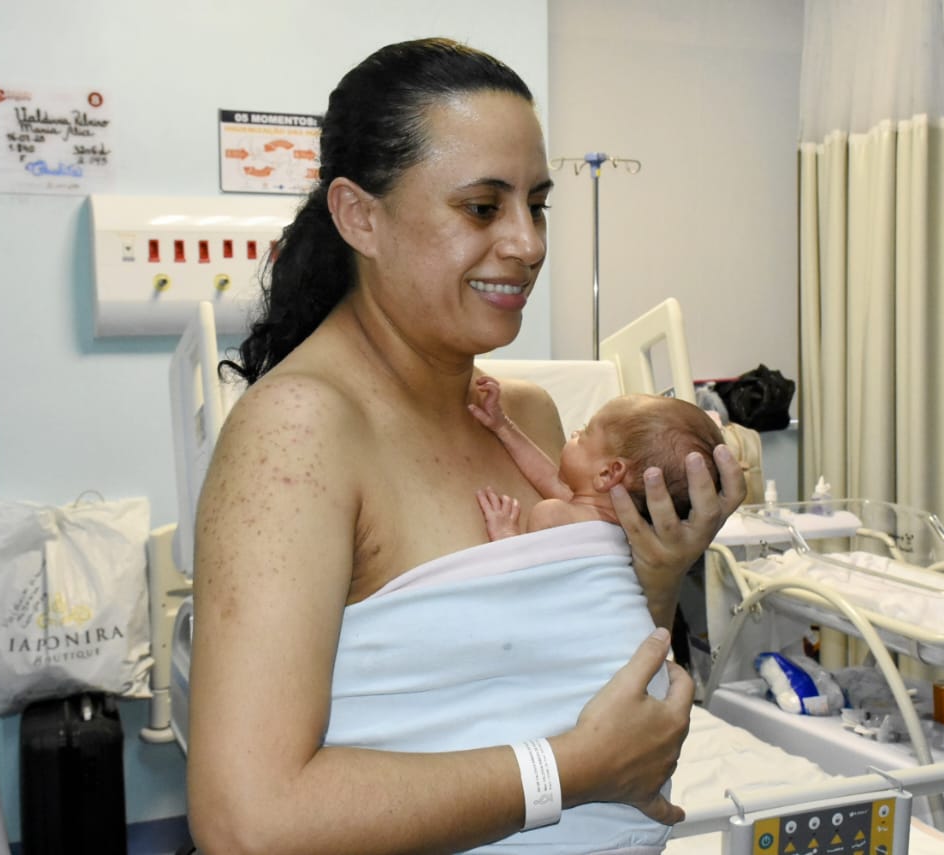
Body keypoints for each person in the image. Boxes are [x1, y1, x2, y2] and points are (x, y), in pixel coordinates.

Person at [187, 37, 745, 855]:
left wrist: (658, 577)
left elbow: (594, 682)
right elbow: (248, 822)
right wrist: (567, 771)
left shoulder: (531, 420)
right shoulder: (301, 433)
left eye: (537, 205)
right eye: (483, 208)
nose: (529, 243)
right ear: (359, 216)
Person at [469, 375, 725, 540]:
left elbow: (527, 581)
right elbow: (546, 477)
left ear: (608, 473)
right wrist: (503, 426)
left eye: (584, 433)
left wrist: (507, 535)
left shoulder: (554, 515)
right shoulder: (635, 537)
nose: (574, 433)